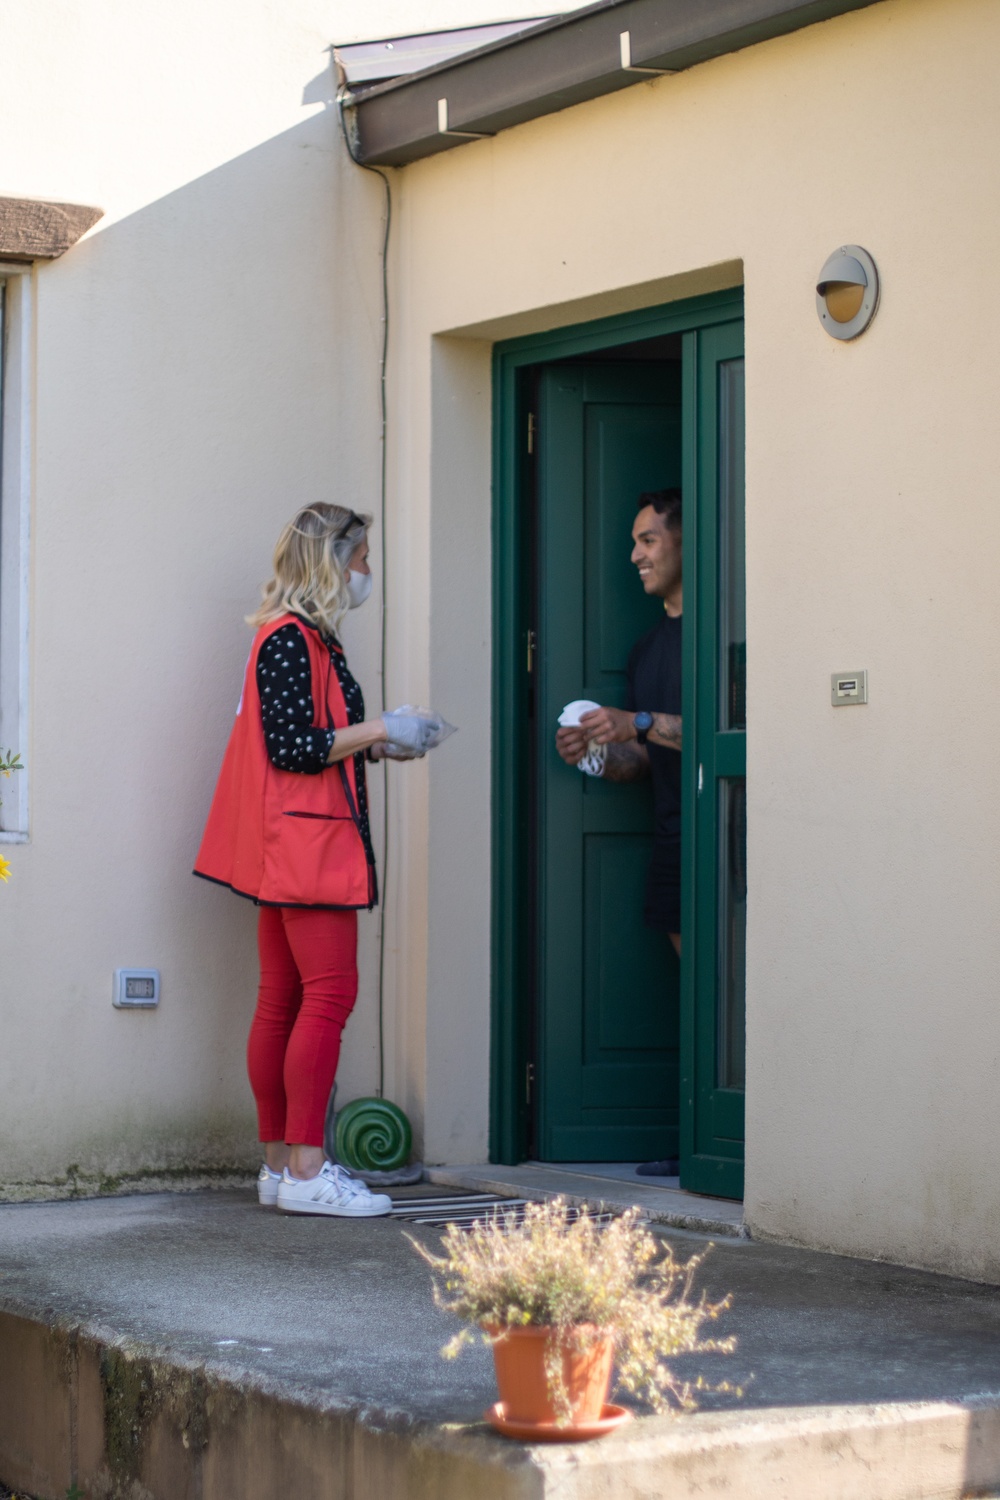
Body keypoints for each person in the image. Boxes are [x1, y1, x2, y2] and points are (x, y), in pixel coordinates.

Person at [194, 504, 443, 1217]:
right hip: (309, 847)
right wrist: (377, 727)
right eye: (362, 557)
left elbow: (312, 739)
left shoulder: (304, 638)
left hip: (294, 843)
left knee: (283, 1001)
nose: (369, 571)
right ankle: (306, 1171)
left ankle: (281, 1169)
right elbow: (293, 746)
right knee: (325, 999)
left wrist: (382, 742)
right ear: (332, 562)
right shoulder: (292, 639)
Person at [555, 487, 683, 1178]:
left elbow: (736, 741)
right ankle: (697, 1137)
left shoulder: (729, 633)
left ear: (688, 542)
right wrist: (598, 756)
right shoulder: (646, 646)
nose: (633, 555)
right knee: (700, 1000)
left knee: (735, 997)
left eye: (648, 540)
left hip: (734, 842)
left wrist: (633, 720)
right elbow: (643, 760)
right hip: (671, 842)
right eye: (633, 542)